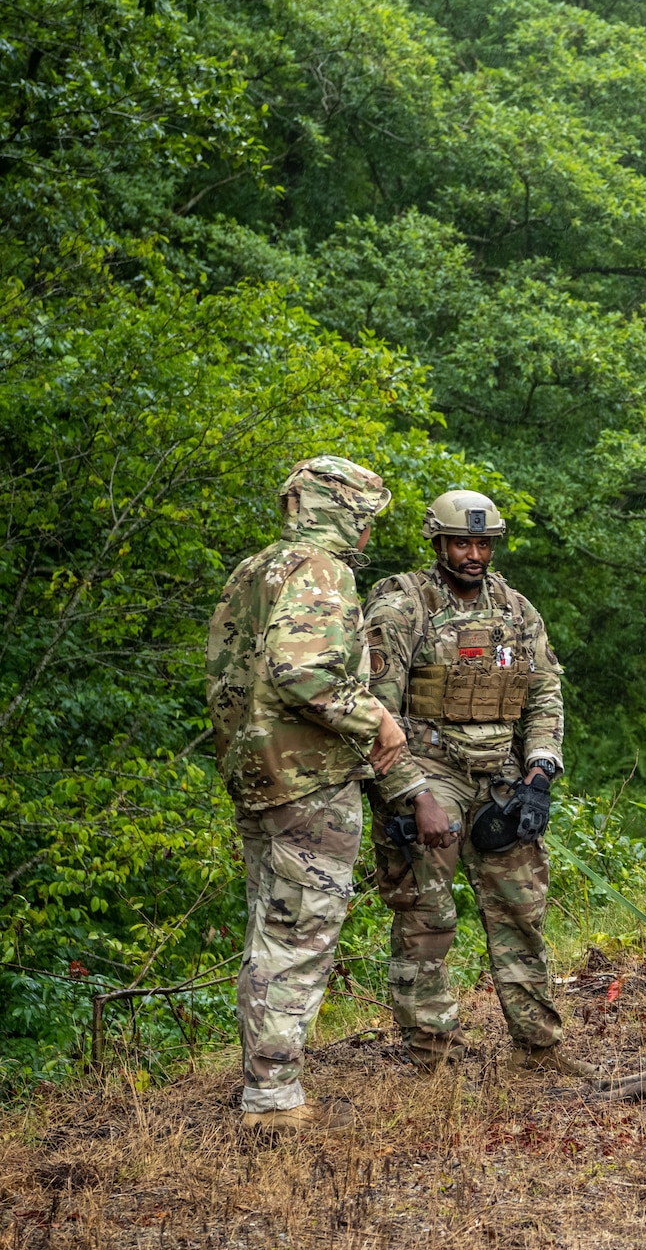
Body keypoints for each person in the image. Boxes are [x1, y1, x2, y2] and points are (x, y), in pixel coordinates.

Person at [206, 456, 410, 1133]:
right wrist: (375, 717)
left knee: (271, 927)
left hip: (257, 772)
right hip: (307, 779)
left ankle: (265, 1077)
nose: (367, 535)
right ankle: (271, 1095)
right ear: (340, 510)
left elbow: (237, 675)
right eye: (365, 518)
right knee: (298, 931)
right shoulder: (322, 572)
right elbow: (301, 671)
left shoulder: (253, 571)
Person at [362, 490, 590, 1076]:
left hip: (503, 776)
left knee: (521, 911)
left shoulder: (516, 610)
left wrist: (539, 774)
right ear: (437, 543)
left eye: (483, 543)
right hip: (428, 771)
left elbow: (543, 693)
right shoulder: (401, 607)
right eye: (462, 542)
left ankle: (539, 1047)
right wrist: (413, 795)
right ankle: (430, 1058)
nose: (473, 554)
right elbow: (372, 716)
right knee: (427, 918)